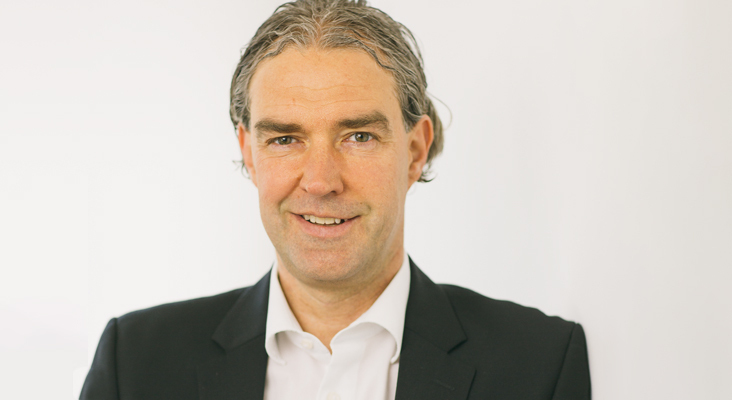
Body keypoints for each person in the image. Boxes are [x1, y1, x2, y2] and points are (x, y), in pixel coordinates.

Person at [80, 1, 591, 399]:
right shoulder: (136, 363)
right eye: (285, 139)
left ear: (415, 151)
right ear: (249, 153)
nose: (321, 181)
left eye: (359, 136)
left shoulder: (540, 364)